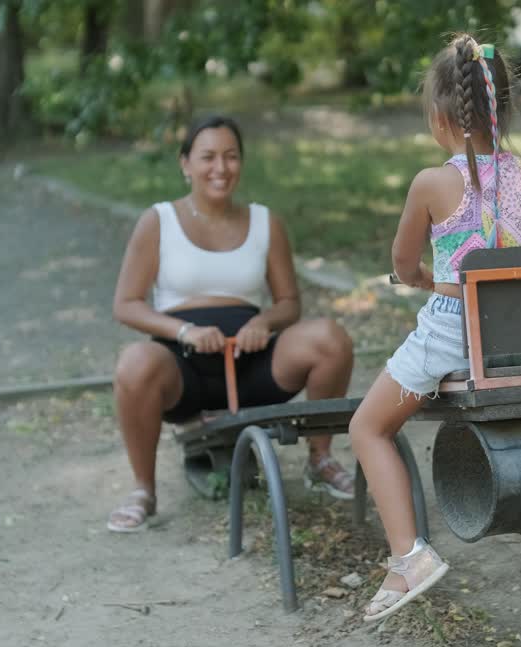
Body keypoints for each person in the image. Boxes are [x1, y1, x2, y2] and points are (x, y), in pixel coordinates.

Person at [347, 34, 521, 622]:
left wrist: (419, 278)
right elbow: (518, 259)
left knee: (369, 426)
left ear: (441, 117)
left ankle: (408, 557)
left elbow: (402, 263)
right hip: (519, 343)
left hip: (449, 339)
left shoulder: (429, 184)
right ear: (503, 110)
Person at [107, 115, 356, 532]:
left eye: (231, 156)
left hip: (252, 362)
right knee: (134, 363)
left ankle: (320, 458)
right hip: (183, 367)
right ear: (185, 163)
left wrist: (264, 321)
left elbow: (289, 303)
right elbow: (126, 304)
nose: (220, 168)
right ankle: (143, 490)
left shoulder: (265, 222)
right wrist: (184, 331)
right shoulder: (158, 221)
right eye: (207, 157)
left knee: (330, 338)